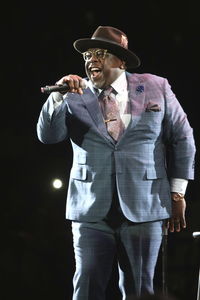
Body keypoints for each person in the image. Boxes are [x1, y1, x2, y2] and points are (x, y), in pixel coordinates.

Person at [37, 26, 196, 300]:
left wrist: (177, 191)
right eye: (87, 55)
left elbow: (182, 137)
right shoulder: (74, 95)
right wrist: (57, 97)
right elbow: (49, 137)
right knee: (86, 286)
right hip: (90, 210)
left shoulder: (156, 86)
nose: (91, 60)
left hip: (144, 207)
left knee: (139, 290)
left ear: (121, 60)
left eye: (100, 53)